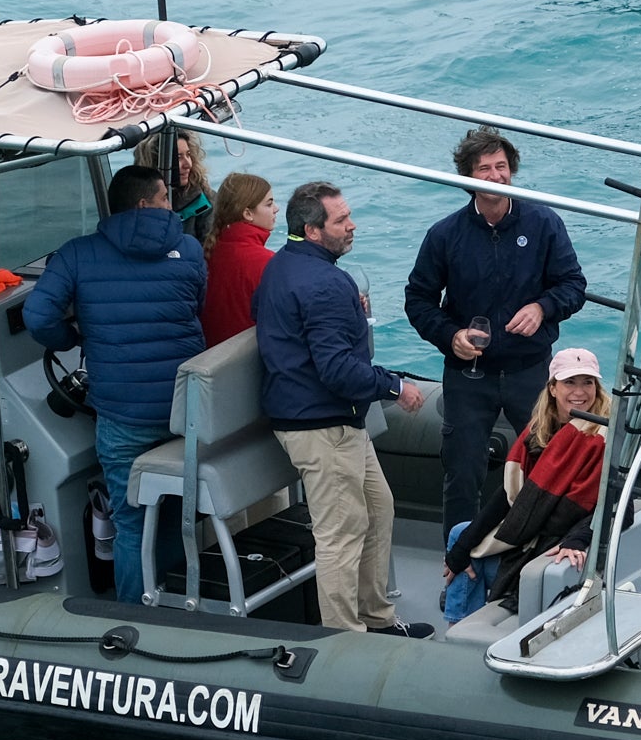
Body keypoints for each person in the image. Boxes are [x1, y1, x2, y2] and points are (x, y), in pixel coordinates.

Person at [24, 164, 207, 603]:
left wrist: (73, 337)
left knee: (131, 522)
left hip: (124, 415)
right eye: (165, 197)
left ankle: (134, 617)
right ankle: (184, 606)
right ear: (145, 203)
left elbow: (36, 316)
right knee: (177, 517)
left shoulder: (76, 254)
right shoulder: (189, 248)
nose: (170, 204)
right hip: (186, 410)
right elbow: (194, 305)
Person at [253, 181, 429, 635]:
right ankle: (344, 639)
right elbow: (337, 371)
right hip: (322, 425)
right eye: (341, 220)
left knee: (378, 507)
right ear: (313, 231)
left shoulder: (281, 266)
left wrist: (348, 310)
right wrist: (396, 388)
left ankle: (377, 618)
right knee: (340, 534)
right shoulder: (327, 283)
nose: (352, 226)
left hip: (319, 417)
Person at [404, 127, 588, 545]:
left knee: (547, 464)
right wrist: (450, 336)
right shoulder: (445, 235)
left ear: (512, 171)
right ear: (466, 176)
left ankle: (543, 552)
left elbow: (572, 285)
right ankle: (457, 566)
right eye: (483, 168)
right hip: (468, 376)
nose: (494, 176)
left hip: (530, 371)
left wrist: (543, 308)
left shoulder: (543, 223)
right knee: (462, 472)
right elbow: (418, 300)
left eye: (501, 167)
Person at [442, 349, 615, 614]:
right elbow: (509, 497)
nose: (580, 392)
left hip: (559, 540)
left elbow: (616, 505)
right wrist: (462, 548)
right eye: (570, 382)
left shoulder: (605, 436)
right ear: (553, 388)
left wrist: (578, 539)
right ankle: (463, 626)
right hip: (530, 531)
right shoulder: (537, 432)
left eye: (587, 382)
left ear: (597, 387)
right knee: (460, 536)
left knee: (468, 546)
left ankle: (467, 623)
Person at [202, 172, 277, 346]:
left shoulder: (209, 252)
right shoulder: (266, 263)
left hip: (211, 354)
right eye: (269, 204)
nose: (276, 208)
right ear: (248, 213)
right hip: (250, 360)